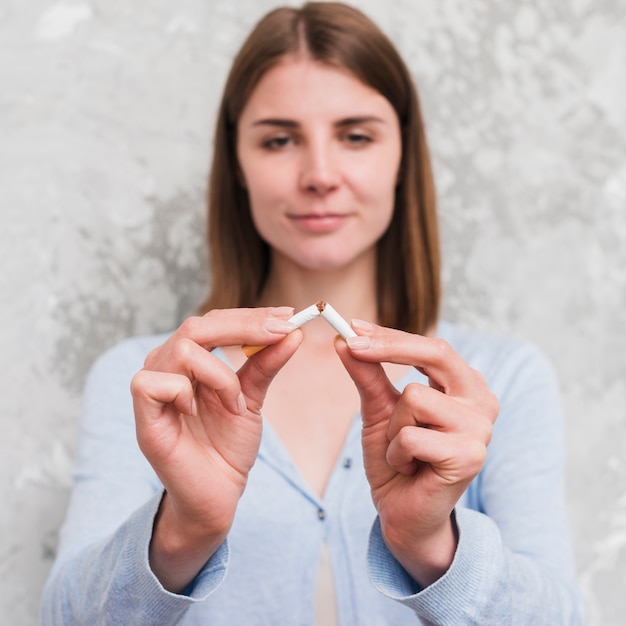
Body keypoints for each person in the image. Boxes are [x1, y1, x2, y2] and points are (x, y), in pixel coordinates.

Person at [41, 2, 584, 624]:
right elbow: (65, 617)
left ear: (402, 154)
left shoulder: (499, 380)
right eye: (279, 139)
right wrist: (183, 529)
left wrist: (432, 545)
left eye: (355, 136)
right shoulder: (150, 382)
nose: (320, 174)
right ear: (238, 164)